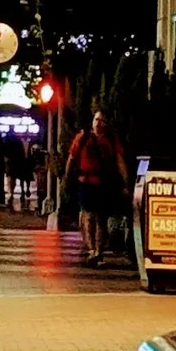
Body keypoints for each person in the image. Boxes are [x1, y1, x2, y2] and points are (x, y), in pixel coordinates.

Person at [66, 110, 129, 266]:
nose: (98, 123)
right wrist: (67, 178)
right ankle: (91, 249)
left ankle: (98, 252)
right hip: (85, 181)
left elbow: (119, 161)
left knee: (101, 218)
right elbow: (72, 158)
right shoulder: (83, 137)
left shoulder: (111, 140)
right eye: (96, 119)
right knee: (88, 215)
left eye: (102, 120)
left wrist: (126, 182)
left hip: (103, 183)